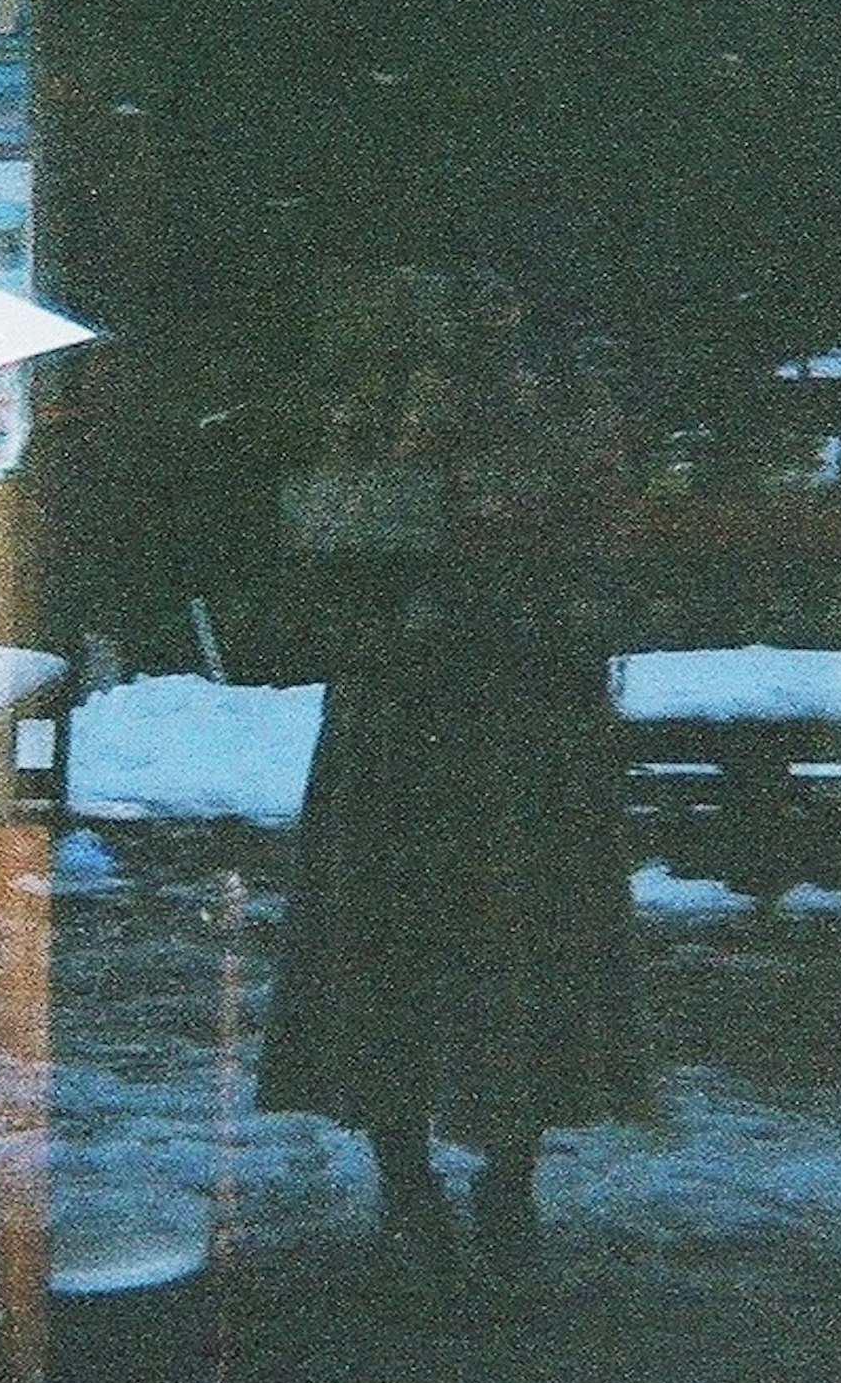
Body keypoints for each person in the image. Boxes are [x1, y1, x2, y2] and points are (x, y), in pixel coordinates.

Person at [254, 273, 641, 1274]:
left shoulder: (554, 404)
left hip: (511, 721)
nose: (487, 317)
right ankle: (415, 1180)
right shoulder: (385, 399)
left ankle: (496, 1182)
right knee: (406, 951)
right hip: (416, 720)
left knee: (513, 954)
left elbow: (603, 555)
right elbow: (322, 553)